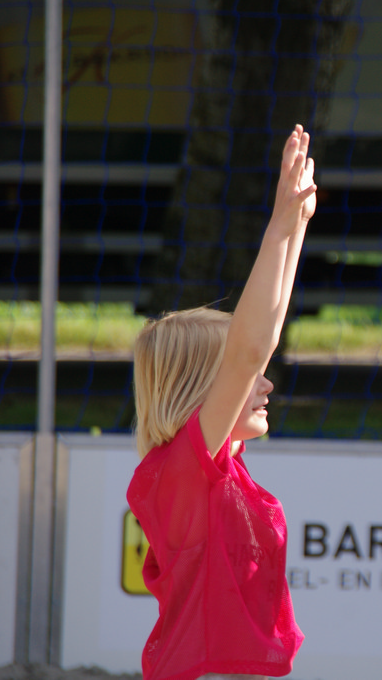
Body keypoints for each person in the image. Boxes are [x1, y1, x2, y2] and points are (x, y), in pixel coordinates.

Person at [126, 125, 317, 680]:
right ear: (199, 388)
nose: (265, 384)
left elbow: (263, 339)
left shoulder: (221, 467)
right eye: (246, 376)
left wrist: (296, 226)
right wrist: (278, 224)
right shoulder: (181, 473)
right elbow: (252, 346)